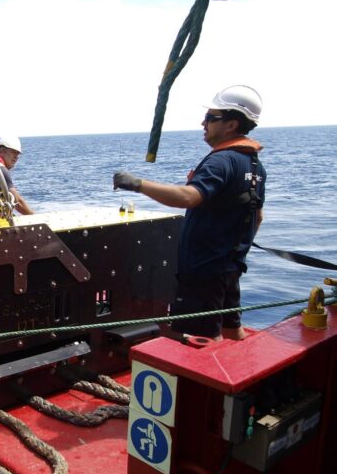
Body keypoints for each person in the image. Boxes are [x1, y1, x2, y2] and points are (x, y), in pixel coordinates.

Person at [113, 85, 266, 341]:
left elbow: (189, 197)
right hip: (229, 267)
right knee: (231, 329)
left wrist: (137, 184)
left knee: (200, 339)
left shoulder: (221, 161)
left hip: (203, 270)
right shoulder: (254, 164)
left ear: (231, 124)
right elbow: (257, 216)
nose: (203, 123)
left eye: (211, 118)